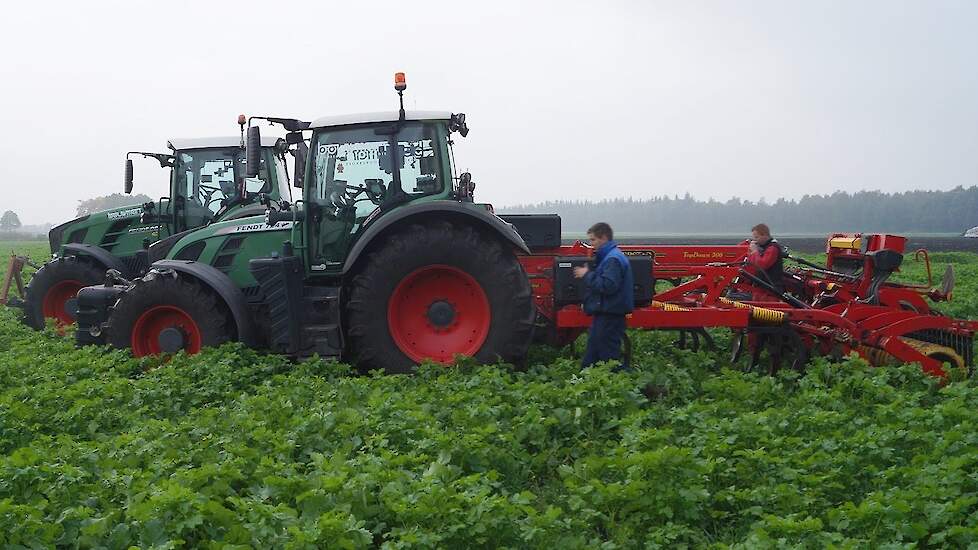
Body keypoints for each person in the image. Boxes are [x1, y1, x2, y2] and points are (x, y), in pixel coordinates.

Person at [573, 222, 634, 369]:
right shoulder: (611, 256)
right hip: (605, 313)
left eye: (593, 240)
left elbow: (608, 286)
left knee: (608, 357)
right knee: (593, 354)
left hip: (610, 314)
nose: (591, 244)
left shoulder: (612, 259)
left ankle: (627, 386)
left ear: (604, 238)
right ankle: (583, 382)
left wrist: (587, 275)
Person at [746, 223, 785, 293]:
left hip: (771, 289)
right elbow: (751, 264)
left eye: (756, 237)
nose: (754, 240)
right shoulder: (763, 247)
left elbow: (762, 265)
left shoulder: (772, 248)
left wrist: (754, 251)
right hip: (762, 286)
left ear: (764, 235)